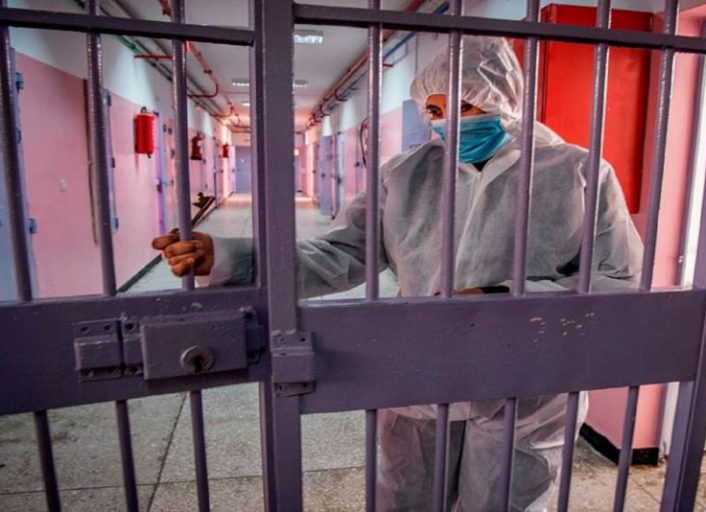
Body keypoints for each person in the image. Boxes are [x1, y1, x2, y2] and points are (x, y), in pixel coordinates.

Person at [152, 36, 642, 511]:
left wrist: (500, 295)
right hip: (424, 364)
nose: (448, 122)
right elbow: (341, 252)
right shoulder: (405, 174)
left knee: (507, 499)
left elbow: (617, 279)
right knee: (407, 495)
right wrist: (235, 259)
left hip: (529, 374)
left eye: (464, 105)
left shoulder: (578, 173)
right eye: (434, 110)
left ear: (504, 98)